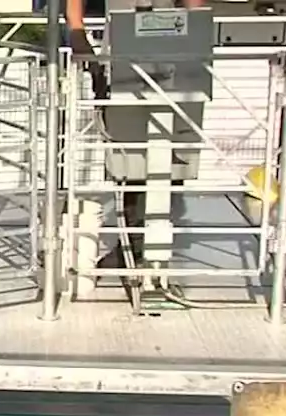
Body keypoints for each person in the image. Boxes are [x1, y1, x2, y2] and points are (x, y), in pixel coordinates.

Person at [65, 0, 206, 270]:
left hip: (169, 62)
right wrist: (83, 45)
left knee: (167, 161)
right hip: (122, 64)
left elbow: (195, 9)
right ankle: (133, 248)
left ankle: (144, 250)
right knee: (128, 160)